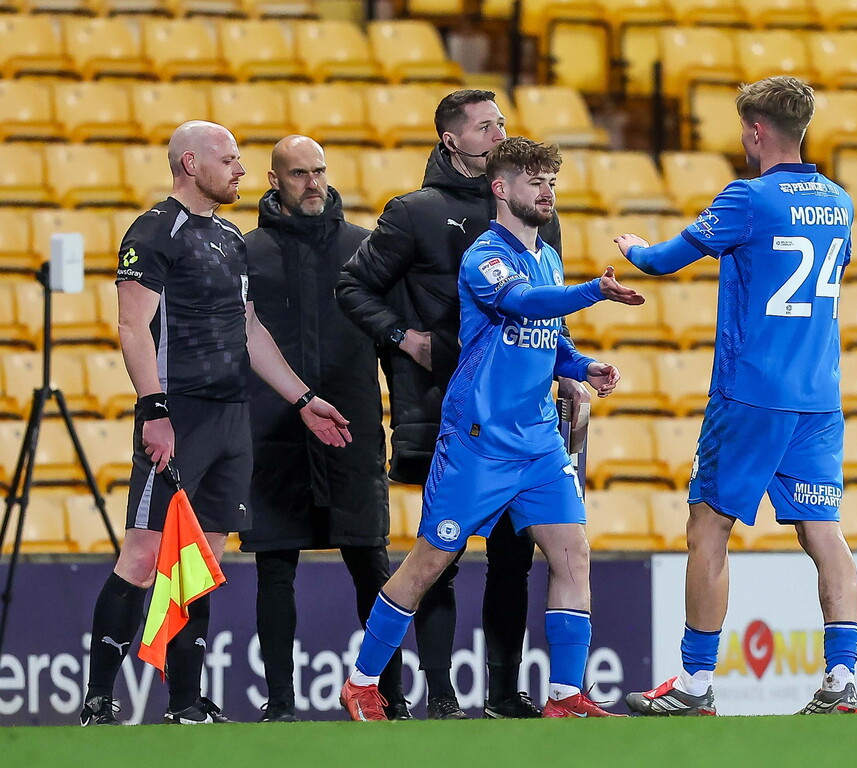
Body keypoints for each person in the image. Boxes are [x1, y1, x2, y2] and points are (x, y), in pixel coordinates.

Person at [338, 136, 642, 721]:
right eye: (535, 181)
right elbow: (522, 304)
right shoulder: (486, 256)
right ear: (500, 189)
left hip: (537, 442)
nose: (547, 191)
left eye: (551, 180)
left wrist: (583, 367)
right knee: (429, 561)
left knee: (572, 553)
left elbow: (547, 336)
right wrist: (593, 291)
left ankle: (564, 696)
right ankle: (361, 680)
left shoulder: (547, 255)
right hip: (478, 442)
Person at [79, 121, 352, 726]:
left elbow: (251, 330)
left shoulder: (231, 236)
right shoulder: (153, 232)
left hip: (234, 418)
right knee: (145, 555)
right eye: (229, 160)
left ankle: (184, 702)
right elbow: (131, 327)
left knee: (200, 562)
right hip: (180, 414)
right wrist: (153, 408)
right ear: (189, 162)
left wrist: (302, 398)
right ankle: (98, 698)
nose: (241, 171)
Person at [616, 76, 857, 716]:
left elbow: (665, 260)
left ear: (755, 132)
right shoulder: (840, 201)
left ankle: (695, 685)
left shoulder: (748, 198)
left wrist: (634, 249)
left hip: (752, 392)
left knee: (708, 526)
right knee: (824, 531)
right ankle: (841, 681)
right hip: (819, 395)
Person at [240, 135, 407, 722]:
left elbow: (395, 339)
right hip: (272, 436)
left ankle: (389, 697)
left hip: (354, 428)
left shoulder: (367, 249)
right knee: (274, 566)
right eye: (298, 174)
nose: (313, 183)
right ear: (273, 180)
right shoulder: (247, 253)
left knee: (372, 565)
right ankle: (280, 705)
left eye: (319, 171)